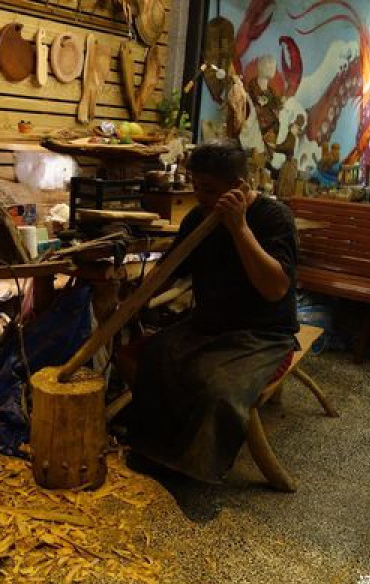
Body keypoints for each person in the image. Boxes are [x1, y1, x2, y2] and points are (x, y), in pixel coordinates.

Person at [127, 139, 299, 483]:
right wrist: (135, 298)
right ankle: (154, 450)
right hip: (207, 326)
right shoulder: (198, 217)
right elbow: (171, 269)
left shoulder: (273, 217)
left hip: (261, 335)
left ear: (239, 187)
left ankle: (192, 467)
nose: (200, 197)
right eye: (196, 187)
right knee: (151, 357)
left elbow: (275, 288)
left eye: (209, 190)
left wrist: (239, 227)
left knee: (218, 388)